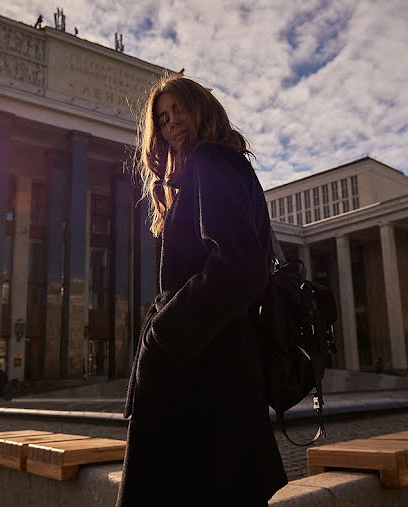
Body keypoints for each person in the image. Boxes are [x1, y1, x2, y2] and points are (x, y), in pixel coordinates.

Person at [117, 75, 286, 506]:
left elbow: (239, 266)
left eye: (180, 110)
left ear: (203, 110)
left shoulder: (212, 161)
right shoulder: (207, 171)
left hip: (205, 374)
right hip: (212, 371)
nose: (172, 123)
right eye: (162, 117)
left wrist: (165, 331)